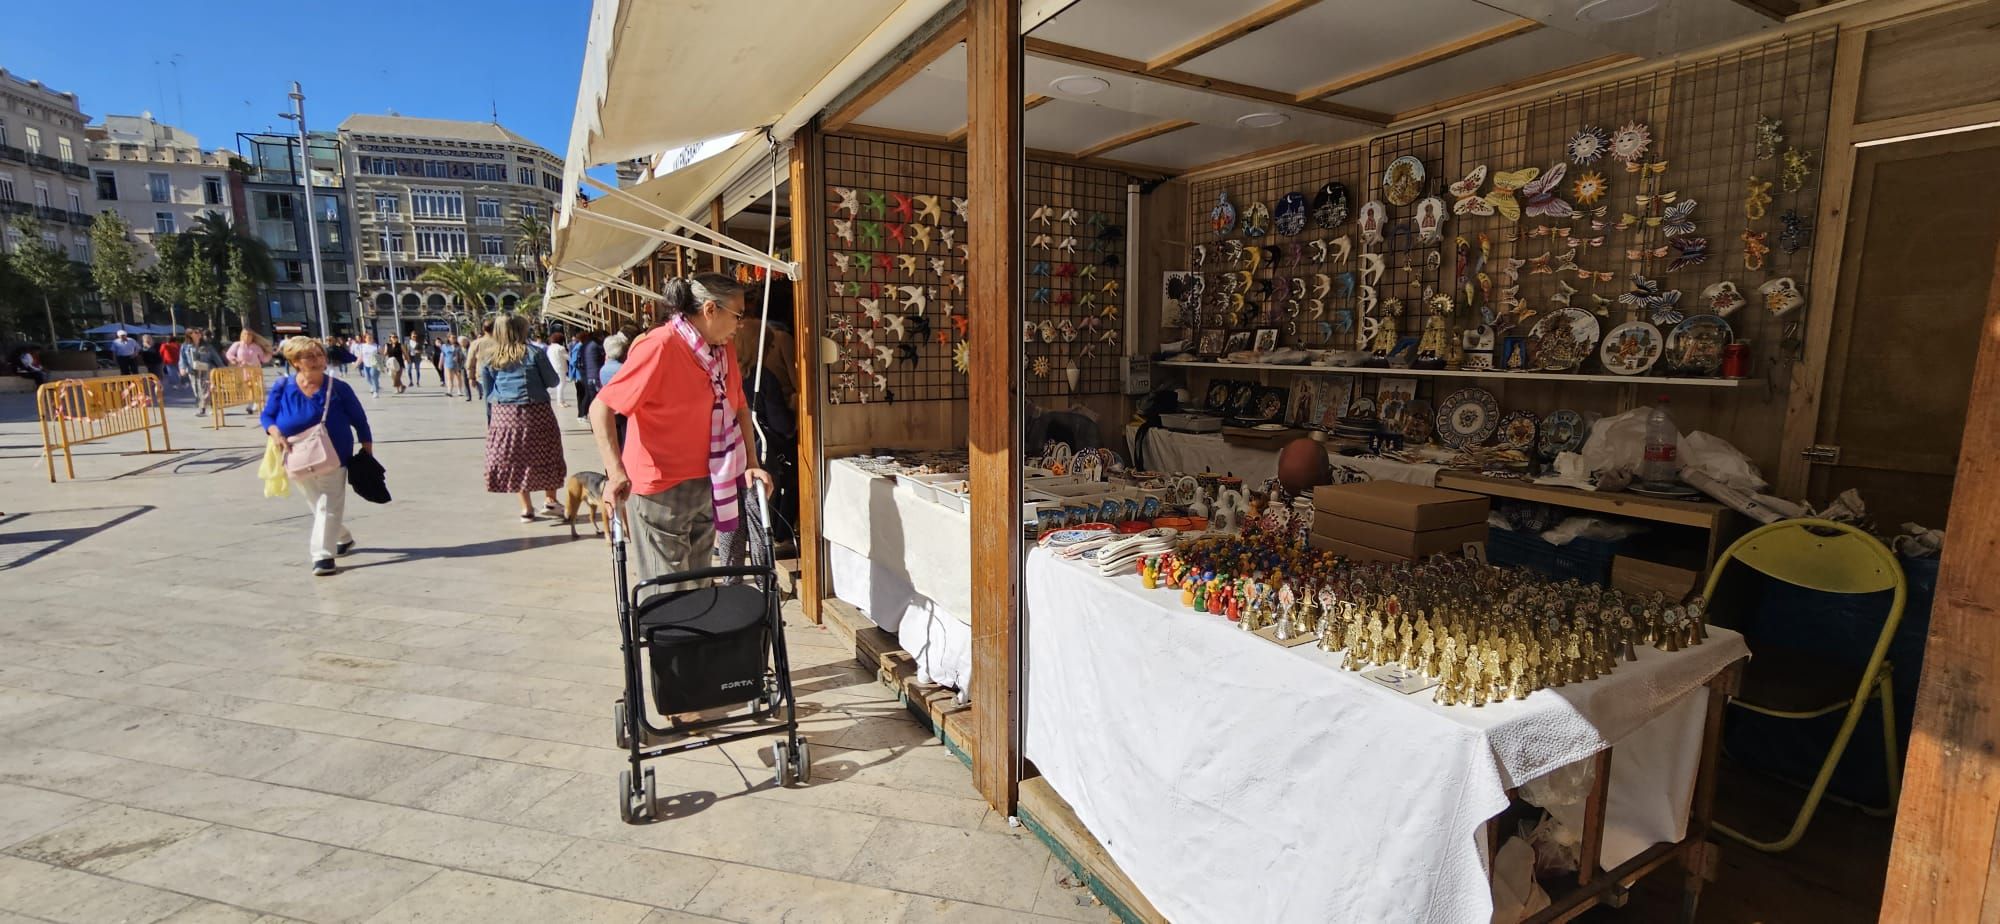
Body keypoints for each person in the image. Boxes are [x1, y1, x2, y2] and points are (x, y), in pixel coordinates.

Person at [591, 274, 772, 591]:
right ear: (710, 310)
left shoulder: (722, 349)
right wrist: (615, 472)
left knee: (699, 584)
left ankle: (696, 640)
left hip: (707, 481)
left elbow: (739, 406)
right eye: (738, 315)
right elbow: (601, 408)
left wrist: (752, 463)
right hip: (660, 488)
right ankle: (672, 640)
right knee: (669, 590)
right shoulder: (660, 345)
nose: (741, 324)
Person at [262, 336, 372, 576]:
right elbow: (267, 416)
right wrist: (274, 431)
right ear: (295, 362)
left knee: (328, 505)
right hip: (296, 455)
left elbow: (359, 419)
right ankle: (342, 537)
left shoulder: (338, 388)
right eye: (309, 356)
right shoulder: (283, 387)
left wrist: (367, 447)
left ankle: (322, 556)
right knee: (318, 505)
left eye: (319, 355)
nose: (317, 360)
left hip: (334, 454)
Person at [481, 313, 567, 521]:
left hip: (504, 416)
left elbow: (487, 392)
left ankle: (526, 508)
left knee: (515, 458)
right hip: (535, 411)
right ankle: (550, 500)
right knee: (547, 452)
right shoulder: (534, 353)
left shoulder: (491, 357)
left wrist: (490, 421)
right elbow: (553, 381)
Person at [181, 329, 227, 417]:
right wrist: (182, 368)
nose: (197, 334)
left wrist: (222, 368)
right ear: (189, 335)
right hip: (193, 372)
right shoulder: (185, 346)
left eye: (198, 332)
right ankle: (202, 408)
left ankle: (208, 408)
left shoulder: (207, 346)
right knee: (197, 391)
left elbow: (216, 357)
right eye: (194, 332)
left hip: (206, 370)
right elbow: (182, 358)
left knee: (207, 390)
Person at [227, 329, 272, 415]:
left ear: (252, 337)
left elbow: (263, 358)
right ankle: (250, 405)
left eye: (249, 335)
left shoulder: (256, 346)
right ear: (242, 335)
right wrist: (235, 360)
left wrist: (269, 355)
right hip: (243, 370)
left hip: (255, 370)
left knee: (258, 387)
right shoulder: (237, 345)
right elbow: (229, 354)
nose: (247, 337)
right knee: (248, 388)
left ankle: (257, 405)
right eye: (245, 335)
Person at [574, 330, 604, 419]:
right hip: (595, 375)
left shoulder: (583, 346)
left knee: (590, 396)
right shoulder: (596, 346)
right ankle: (589, 416)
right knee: (594, 398)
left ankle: (585, 415)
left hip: (588, 375)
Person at [544, 332, 570, 409]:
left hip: (553, 368)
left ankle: (561, 400)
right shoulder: (560, 348)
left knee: (560, 385)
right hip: (560, 368)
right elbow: (568, 357)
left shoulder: (550, 348)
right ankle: (560, 401)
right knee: (561, 384)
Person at [354, 333, 382, 397]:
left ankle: (375, 391)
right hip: (366, 365)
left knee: (373, 376)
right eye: (368, 338)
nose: (369, 339)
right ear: (365, 339)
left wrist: (381, 364)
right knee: (367, 378)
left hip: (375, 365)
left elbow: (381, 355)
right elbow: (361, 356)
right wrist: (356, 364)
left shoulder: (377, 346)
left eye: (371, 337)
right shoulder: (362, 346)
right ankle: (374, 386)